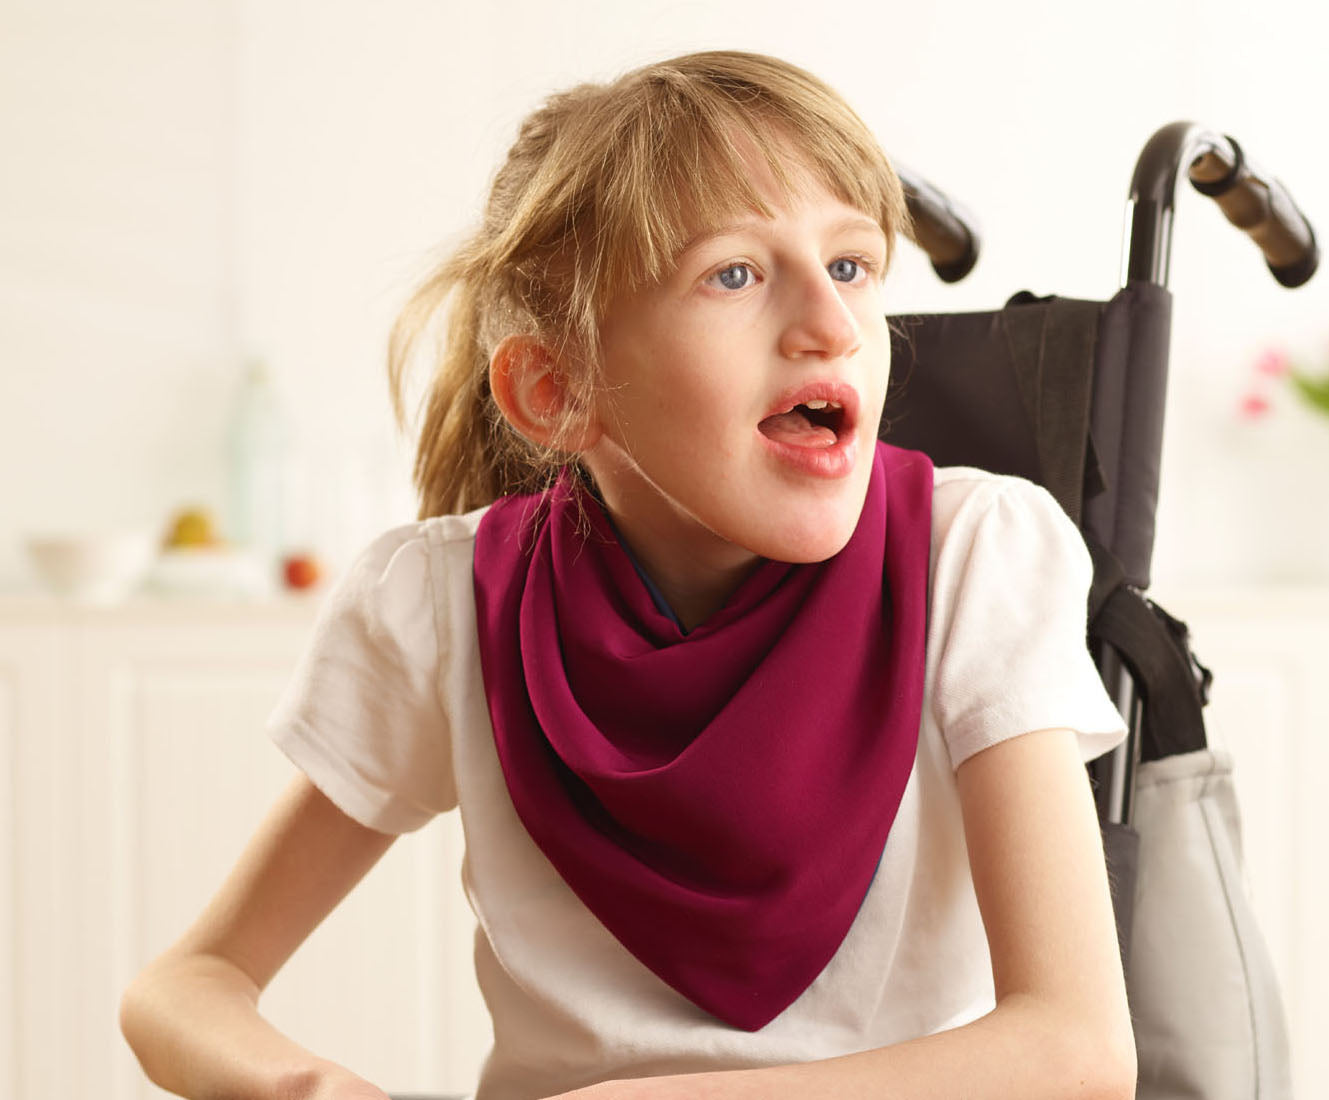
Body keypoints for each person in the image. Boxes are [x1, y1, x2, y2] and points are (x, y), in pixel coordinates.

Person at [121, 50, 1136, 1100]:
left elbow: (1073, 1050)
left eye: (848, 265)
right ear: (558, 389)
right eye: (734, 274)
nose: (830, 325)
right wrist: (310, 1086)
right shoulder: (440, 608)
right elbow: (184, 985)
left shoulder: (972, 556)